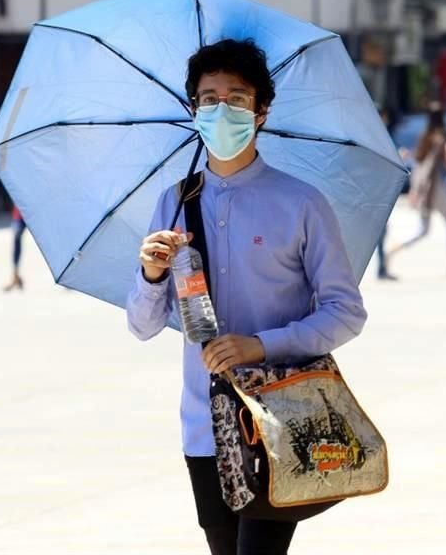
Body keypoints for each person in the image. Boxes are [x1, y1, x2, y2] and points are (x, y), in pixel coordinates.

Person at [125, 39, 367, 555]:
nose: (221, 110)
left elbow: (346, 312)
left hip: (280, 416)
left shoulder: (302, 203)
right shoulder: (175, 202)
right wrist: (150, 273)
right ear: (194, 110)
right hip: (203, 424)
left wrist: (259, 345)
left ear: (261, 112)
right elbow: (143, 326)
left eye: (236, 99)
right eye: (208, 99)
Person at [388, 108, 446, 277]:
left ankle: (395, 249)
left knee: (423, 230)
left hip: (426, 189)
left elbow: (418, 164)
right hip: (435, 188)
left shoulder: (425, 136)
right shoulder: (439, 137)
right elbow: (430, 167)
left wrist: (416, 190)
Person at [375, 106, 397, 281]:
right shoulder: (377, 140)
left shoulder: (380, 138)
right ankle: (381, 268)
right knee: (380, 232)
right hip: (375, 194)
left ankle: (381, 267)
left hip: (379, 193)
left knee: (381, 232)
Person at [4, 207, 26, 291]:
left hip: (27, 211)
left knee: (17, 240)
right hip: (19, 213)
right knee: (17, 239)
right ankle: (15, 274)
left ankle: (15, 274)